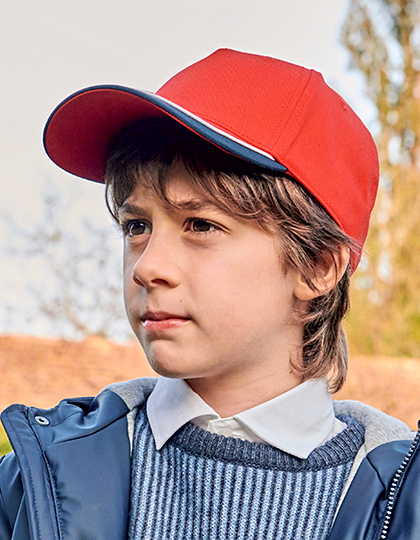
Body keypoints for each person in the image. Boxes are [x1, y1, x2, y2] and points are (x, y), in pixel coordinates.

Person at [0, 48, 418, 540]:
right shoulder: (30, 486)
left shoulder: (403, 505)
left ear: (318, 266)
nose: (148, 267)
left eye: (200, 224)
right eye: (137, 226)